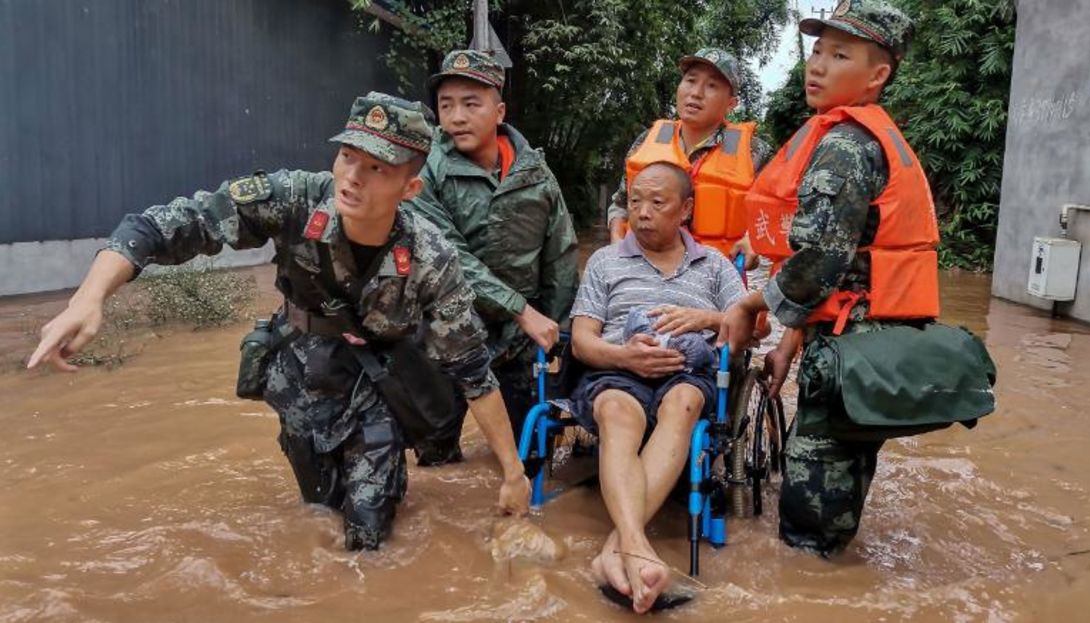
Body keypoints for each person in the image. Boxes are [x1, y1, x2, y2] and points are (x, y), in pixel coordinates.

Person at [27, 92, 530, 551]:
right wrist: (88, 298)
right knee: (318, 508)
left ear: (410, 186)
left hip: (377, 385)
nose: (352, 177)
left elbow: (471, 372)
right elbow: (165, 225)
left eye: (377, 168)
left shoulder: (431, 258)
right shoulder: (292, 198)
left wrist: (512, 474)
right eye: (348, 157)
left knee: (369, 533)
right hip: (300, 378)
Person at [720, 0, 940, 556]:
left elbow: (819, 259)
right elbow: (842, 277)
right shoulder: (871, 137)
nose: (817, 65)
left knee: (810, 522)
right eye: (817, 51)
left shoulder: (844, 145)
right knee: (843, 483)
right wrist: (790, 343)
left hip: (850, 355)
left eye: (839, 55)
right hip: (877, 354)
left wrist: (752, 306)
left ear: (877, 76)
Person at [571, 162, 746, 613]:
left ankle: (616, 549)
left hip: (686, 375)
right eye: (634, 201)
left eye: (657, 202)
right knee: (615, 411)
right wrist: (624, 356)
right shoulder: (605, 262)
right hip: (617, 369)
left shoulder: (715, 265)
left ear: (685, 209)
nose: (642, 212)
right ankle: (633, 545)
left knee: (684, 401)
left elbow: (749, 330)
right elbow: (583, 341)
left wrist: (710, 318)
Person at [404, 49, 578, 460]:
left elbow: (561, 257)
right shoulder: (425, 175)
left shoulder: (535, 173)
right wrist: (522, 309)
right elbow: (450, 259)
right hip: (446, 333)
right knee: (435, 459)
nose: (457, 117)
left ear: (498, 111)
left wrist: (558, 334)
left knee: (532, 456)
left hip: (519, 342)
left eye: (470, 104)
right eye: (446, 106)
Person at [607, 47, 772, 267]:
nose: (696, 92)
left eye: (712, 86)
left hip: (715, 279)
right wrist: (617, 242)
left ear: (732, 103)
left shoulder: (754, 152)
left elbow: (775, 213)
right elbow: (620, 204)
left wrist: (753, 241)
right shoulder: (646, 141)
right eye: (690, 81)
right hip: (641, 271)